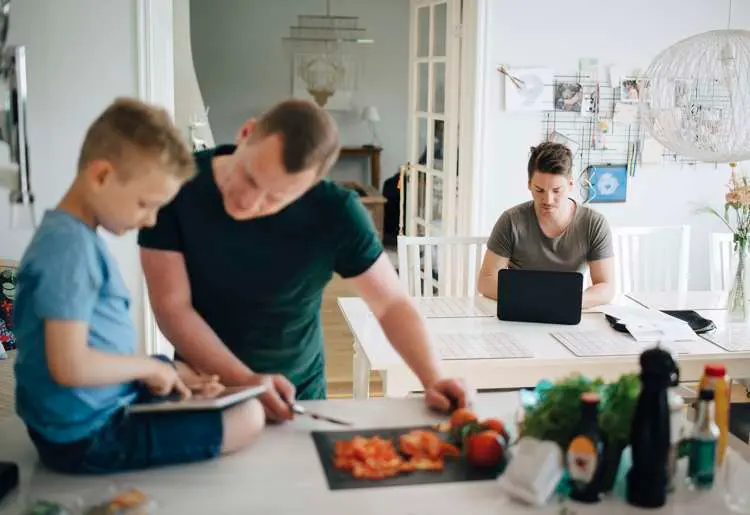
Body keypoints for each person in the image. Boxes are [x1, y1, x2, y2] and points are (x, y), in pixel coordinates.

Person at [138, 99, 471, 421]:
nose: (249, 203)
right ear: (245, 133)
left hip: (297, 397)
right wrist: (246, 380)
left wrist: (433, 378)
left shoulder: (335, 212)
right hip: (203, 388)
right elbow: (172, 306)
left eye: (275, 198)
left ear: (310, 187)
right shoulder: (176, 185)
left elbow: (392, 305)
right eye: (250, 178)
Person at [13, 98, 265, 475]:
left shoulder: (70, 236)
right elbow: (68, 365)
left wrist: (161, 369)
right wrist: (148, 368)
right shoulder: (70, 249)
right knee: (249, 416)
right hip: (86, 436)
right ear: (101, 176)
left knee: (183, 372)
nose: (150, 220)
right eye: (146, 204)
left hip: (87, 411)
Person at [477, 141, 615, 309]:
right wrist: (534, 299)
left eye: (557, 190)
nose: (548, 200)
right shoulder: (511, 220)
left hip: (567, 311)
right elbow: (485, 281)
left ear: (570, 185)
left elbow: (606, 288)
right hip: (521, 312)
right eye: (539, 190)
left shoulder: (594, 224)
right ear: (529, 184)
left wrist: (569, 301)